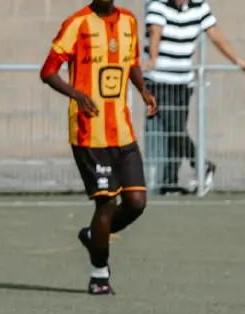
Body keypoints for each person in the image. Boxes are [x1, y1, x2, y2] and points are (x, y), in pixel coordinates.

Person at [40, 0, 158, 295]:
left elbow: (130, 62)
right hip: (89, 132)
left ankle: (94, 236)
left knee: (136, 203)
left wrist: (142, 89)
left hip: (123, 130)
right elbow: (49, 71)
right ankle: (99, 275)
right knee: (105, 203)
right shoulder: (77, 24)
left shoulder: (128, 22)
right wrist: (77, 94)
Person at [142, 0, 245, 195]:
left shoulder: (200, 7)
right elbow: (155, 32)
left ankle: (171, 182)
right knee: (172, 129)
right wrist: (152, 58)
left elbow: (215, 35)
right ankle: (200, 166)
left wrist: (236, 59)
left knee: (176, 131)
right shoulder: (158, 6)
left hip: (183, 81)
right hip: (159, 80)